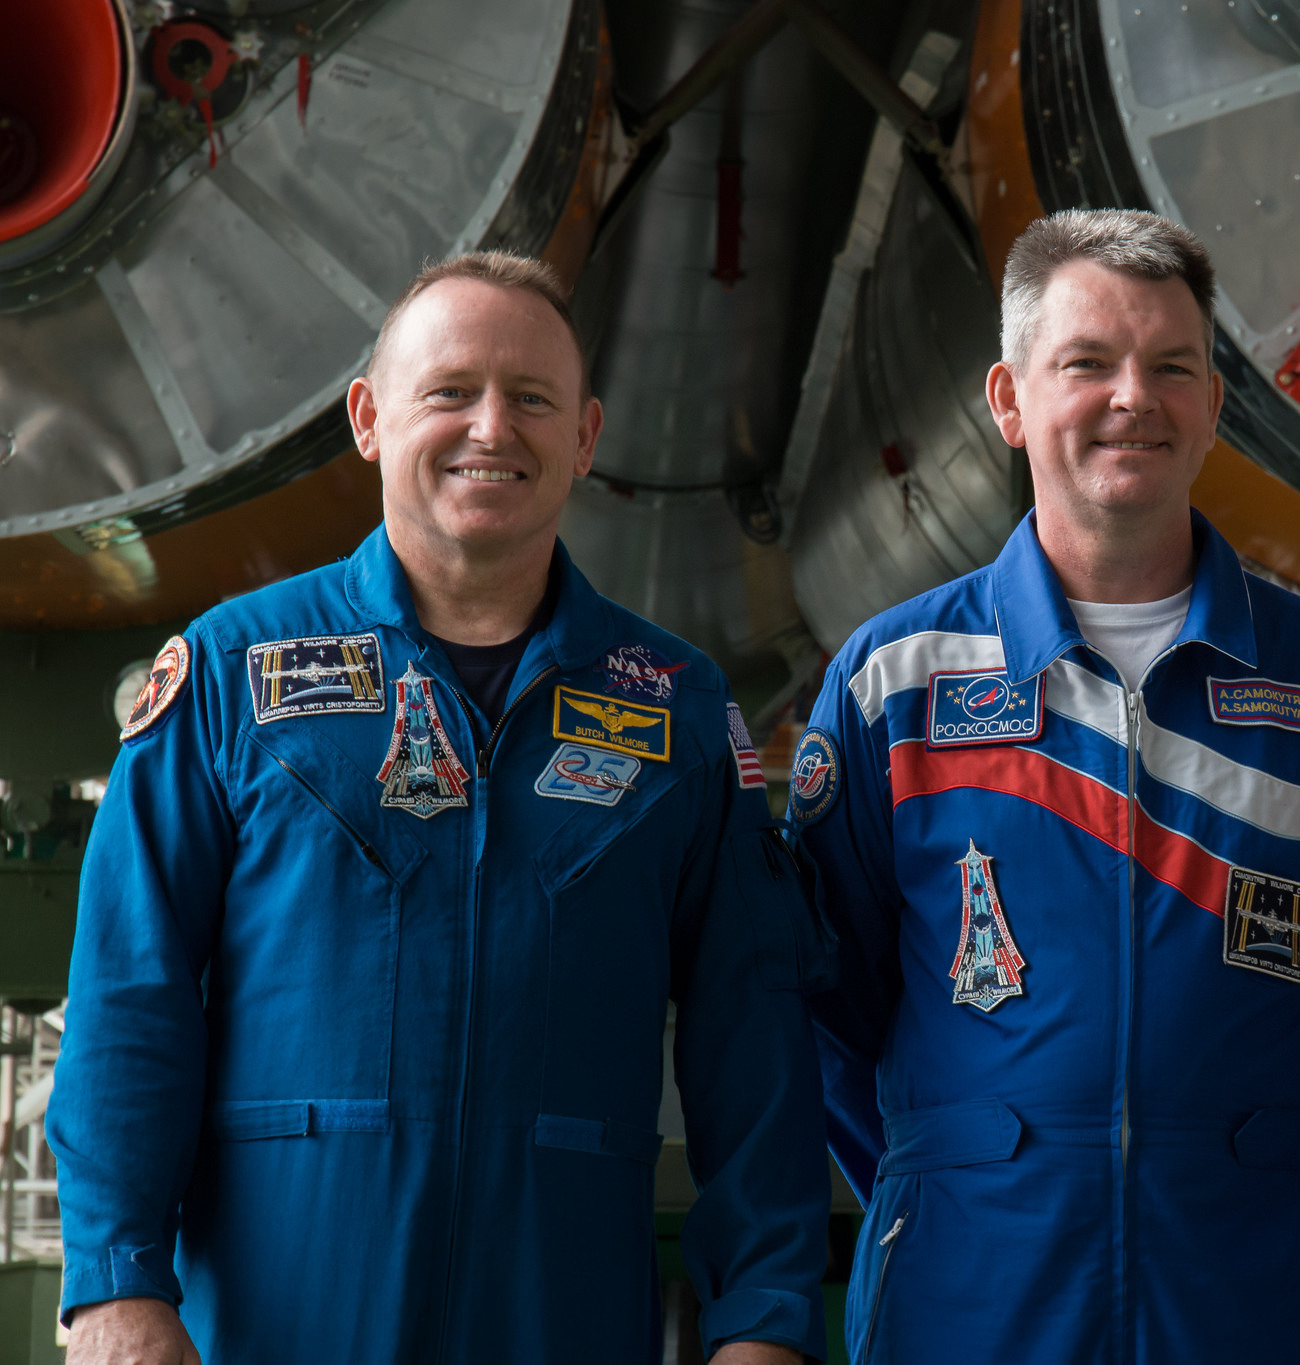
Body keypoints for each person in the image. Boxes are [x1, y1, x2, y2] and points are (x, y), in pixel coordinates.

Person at [49, 252, 832, 1365]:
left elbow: (749, 1040)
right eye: (450, 391)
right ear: (368, 418)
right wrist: (117, 1285)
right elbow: (132, 991)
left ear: (586, 438)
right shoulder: (232, 674)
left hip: (556, 1316)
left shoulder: (677, 709)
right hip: (281, 1321)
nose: (491, 428)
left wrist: (764, 1320)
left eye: (532, 399)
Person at [788, 208, 1300, 1364]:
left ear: (1213, 407)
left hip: (1246, 1294)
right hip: (966, 1295)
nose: (1132, 396)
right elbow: (830, 1005)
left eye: (1170, 367)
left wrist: (1246, 1168)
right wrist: (956, 1177)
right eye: (1086, 363)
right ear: (1008, 399)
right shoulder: (895, 682)